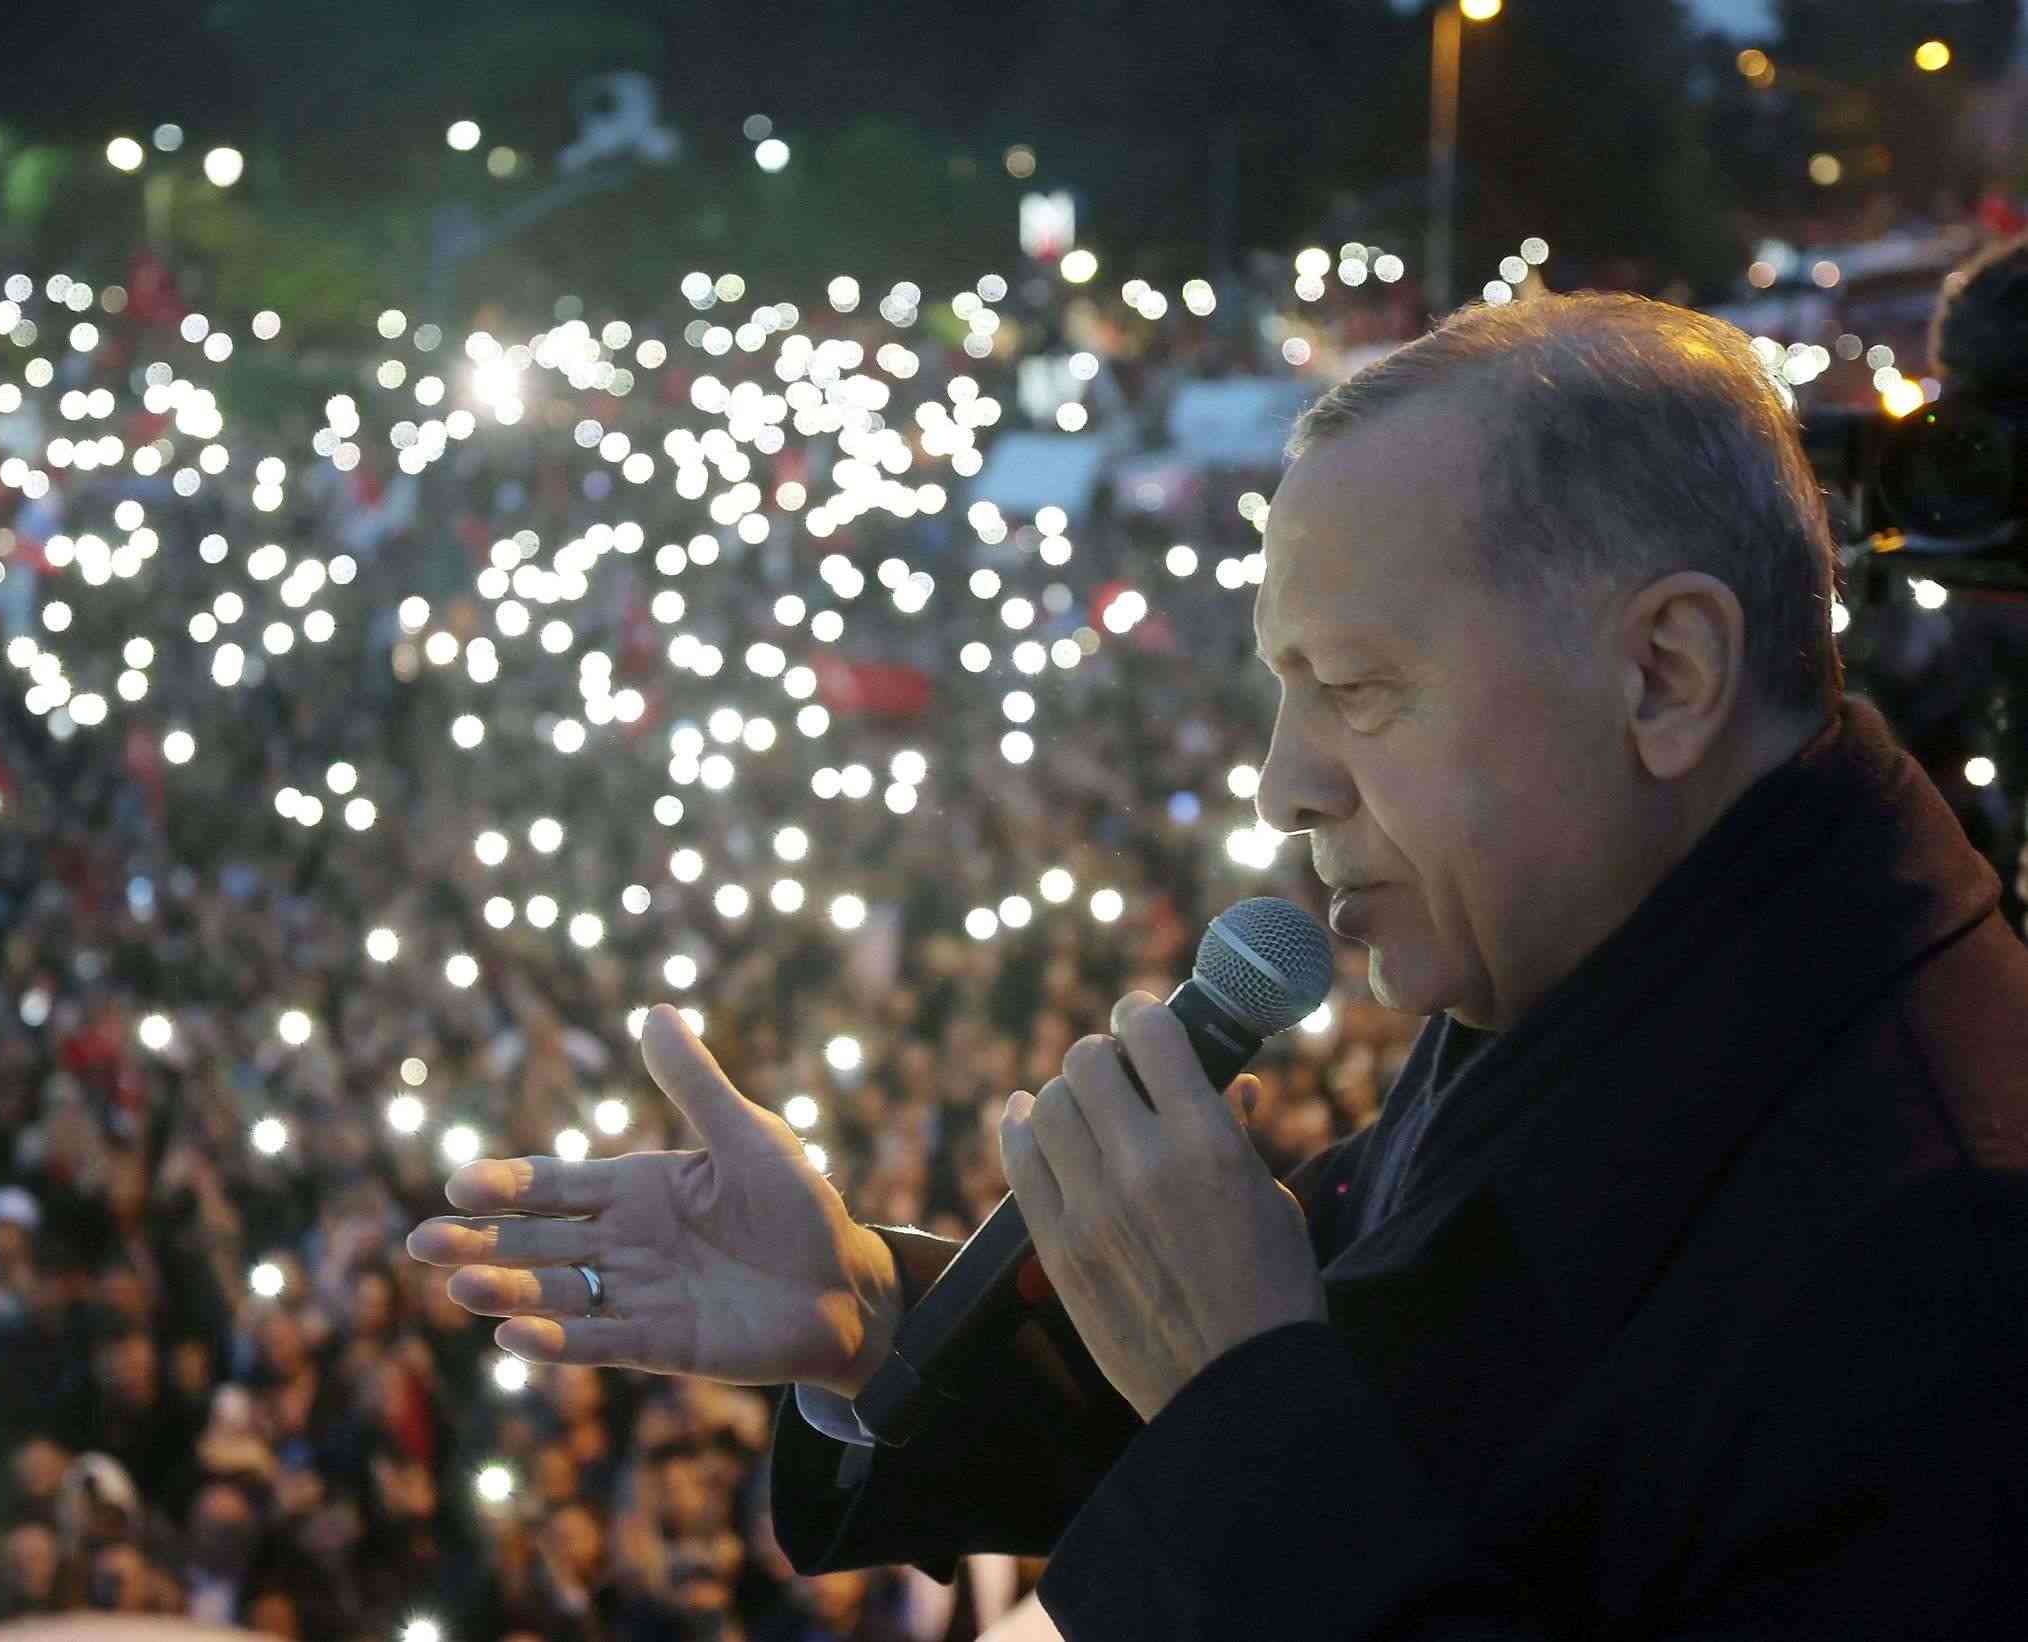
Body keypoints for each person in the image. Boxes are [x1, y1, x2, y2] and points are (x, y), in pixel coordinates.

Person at [410, 293, 2028, 1638]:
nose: (1281, 782)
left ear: (1664, 672)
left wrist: (1239, 1392)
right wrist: (881, 1318)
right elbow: (1365, 1392)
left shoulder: (1952, 1251)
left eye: (1358, 690)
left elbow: (1290, 1425)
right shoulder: (1607, 948)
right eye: (1281, 688)